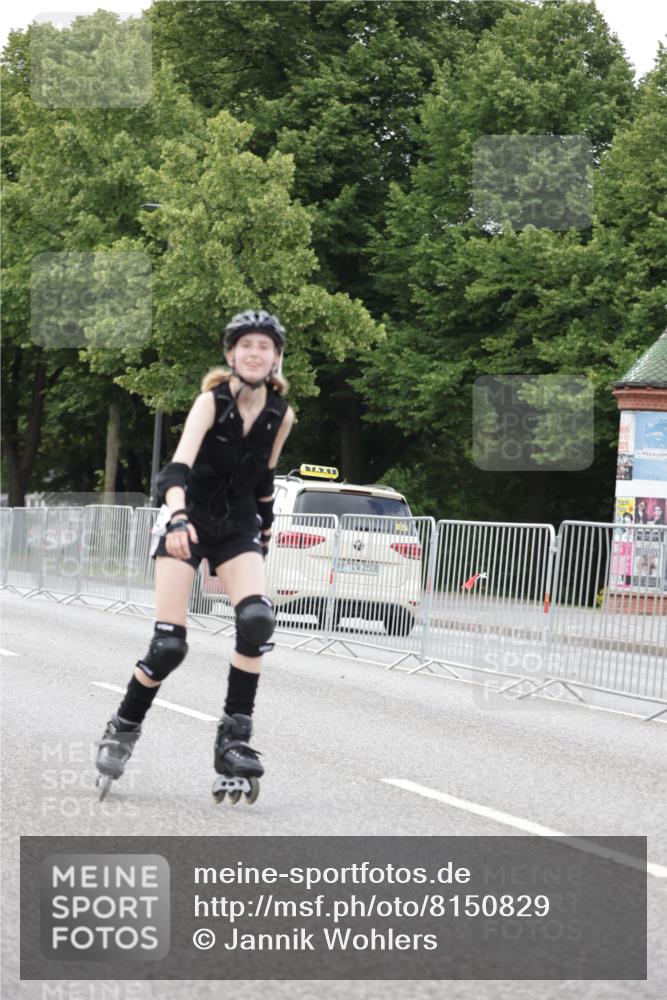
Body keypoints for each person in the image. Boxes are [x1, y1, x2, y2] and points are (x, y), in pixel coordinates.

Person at [95, 310, 295, 803]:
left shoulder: (281, 414)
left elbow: (265, 482)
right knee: (169, 646)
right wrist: (179, 519)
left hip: (237, 527)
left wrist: (264, 533)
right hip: (189, 518)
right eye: (246, 345)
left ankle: (234, 743)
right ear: (231, 355)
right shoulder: (212, 401)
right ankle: (123, 727)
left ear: (276, 358)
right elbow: (175, 470)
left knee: (256, 621)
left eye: (264, 346)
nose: (255, 353)